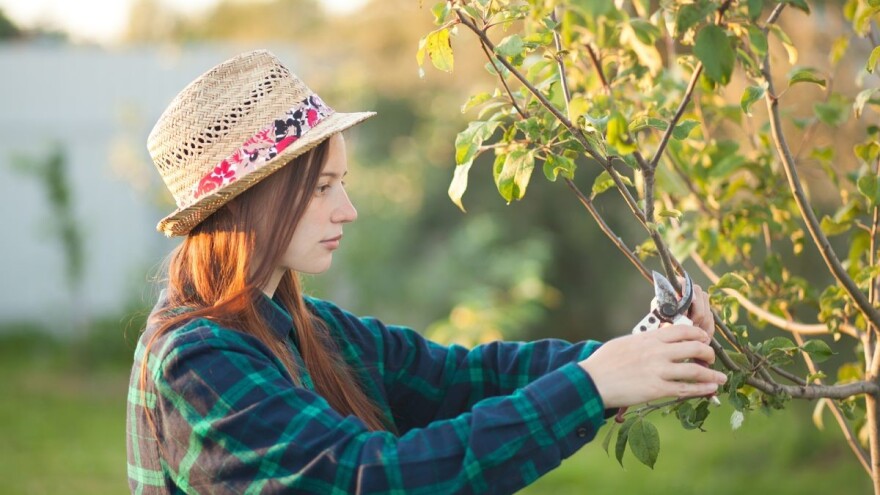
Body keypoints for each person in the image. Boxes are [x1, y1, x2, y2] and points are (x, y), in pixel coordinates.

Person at [126, 49, 727, 495]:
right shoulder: (197, 361)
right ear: (249, 201)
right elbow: (372, 480)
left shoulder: (307, 330)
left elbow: (464, 379)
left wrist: (642, 348)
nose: (348, 210)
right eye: (322, 188)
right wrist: (592, 384)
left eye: (344, 184)